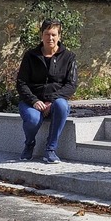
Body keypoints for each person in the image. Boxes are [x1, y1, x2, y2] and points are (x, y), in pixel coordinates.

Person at [16, 19, 78, 163]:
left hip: (56, 101)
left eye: (54, 35)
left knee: (62, 106)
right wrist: (34, 101)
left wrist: (52, 100)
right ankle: (29, 144)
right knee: (33, 119)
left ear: (59, 36)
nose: (50, 38)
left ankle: (50, 149)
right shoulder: (30, 56)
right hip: (32, 101)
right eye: (47, 34)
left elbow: (71, 84)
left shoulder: (69, 57)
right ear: (41, 35)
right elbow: (21, 83)